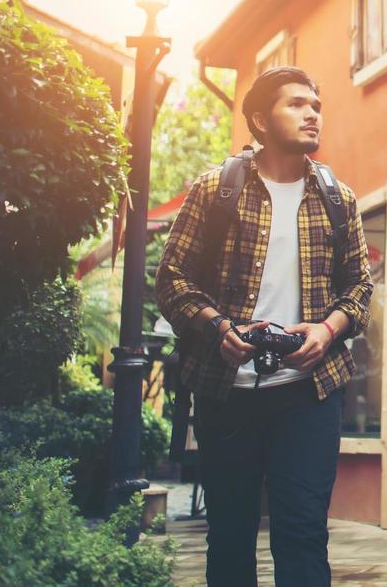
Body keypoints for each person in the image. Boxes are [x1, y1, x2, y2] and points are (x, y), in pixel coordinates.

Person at [157, 66, 373, 587]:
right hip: (226, 394)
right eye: (296, 104)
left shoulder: (337, 198)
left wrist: (327, 330)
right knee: (230, 536)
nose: (311, 113)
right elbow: (171, 280)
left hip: (308, 395)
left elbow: (361, 288)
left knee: (302, 537)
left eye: (315, 105)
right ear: (259, 118)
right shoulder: (217, 190)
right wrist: (216, 327)